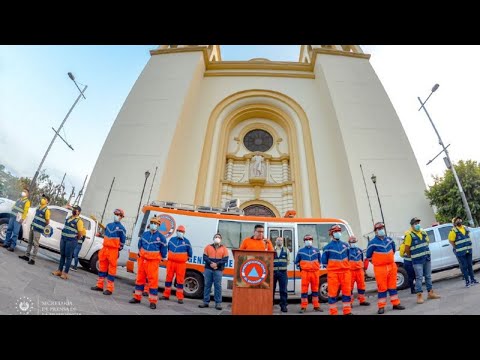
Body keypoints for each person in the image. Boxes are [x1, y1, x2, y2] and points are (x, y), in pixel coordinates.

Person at [366, 222, 405, 314]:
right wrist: (378, 261)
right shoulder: (372, 243)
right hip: (380, 268)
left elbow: (393, 250)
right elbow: (368, 256)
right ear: (375, 231)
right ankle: (381, 307)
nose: (381, 230)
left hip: (392, 266)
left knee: (393, 286)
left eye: (382, 228)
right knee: (382, 288)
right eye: (379, 229)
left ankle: (396, 304)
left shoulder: (389, 240)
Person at [129, 217, 167, 309]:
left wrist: (160, 258)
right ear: (150, 224)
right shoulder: (145, 234)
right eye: (152, 223)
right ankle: (137, 297)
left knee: (153, 282)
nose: (154, 225)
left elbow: (164, 250)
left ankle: (153, 301)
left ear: (158, 226)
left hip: (153, 262)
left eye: (156, 223)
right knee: (140, 279)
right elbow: (140, 244)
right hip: (142, 260)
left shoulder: (161, 238)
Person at [403, 217, 440, 303]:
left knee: (428, 276)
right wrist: (412, 256)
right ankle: (419, 296)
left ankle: (430, 293)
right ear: (412, 225)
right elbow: (407, 248)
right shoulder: (409, 235)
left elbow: (426, 243)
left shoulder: (423, 232)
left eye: (418, 223)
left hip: (426, 257)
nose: (417, 225)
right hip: (417, 260)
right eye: (415, 224)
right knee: (419, 277)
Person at [90, 209, 127, 295]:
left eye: (118, 215)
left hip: (113, 250)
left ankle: (109, 289)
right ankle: (99, 285)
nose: (116, 216)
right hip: (105, 249)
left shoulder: (122, 229)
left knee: (111, 270)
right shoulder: (109, 225)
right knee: (102, 267)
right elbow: (105, 235)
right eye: (115, 214)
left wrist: (117, 249)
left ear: (121, 217)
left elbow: (122, 242)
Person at [322, 225, 352, 315]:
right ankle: (333, 312)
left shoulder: (346, 245)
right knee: (332, 294)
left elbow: (349, 258)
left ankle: (347, 311)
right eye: (336, 232)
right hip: (333, 273)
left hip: (345, 272)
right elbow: (324, 262)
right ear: (332, 234)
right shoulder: (327, 247)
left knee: (347, 292)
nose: (338, 233)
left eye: (339, 231)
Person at [51, 205, 84, 280]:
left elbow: (80, 233)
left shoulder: (79, 221)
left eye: (75, 209)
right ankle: (59, 270)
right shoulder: (69, 218)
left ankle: (65, 273)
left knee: (68, 257)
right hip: (64, 238)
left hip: (71, 240)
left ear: (79, 212)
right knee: (62, 255)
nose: (74, 210)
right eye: (73, 209)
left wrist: (75, 238)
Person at [161, 225, 192, 304]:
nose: (180, 232)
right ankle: (166, 295)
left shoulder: (187, 242)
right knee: (168, 279)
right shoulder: (172, 239)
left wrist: (183, 258)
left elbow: (190, 253)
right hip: (171, 263)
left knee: (180, 281)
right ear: (176, 231)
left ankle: (180, 297)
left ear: (184, 232)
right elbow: (168, 249)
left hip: (181, 264)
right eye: (179, 231)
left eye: (181, 231)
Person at [198, 233, 229, 310]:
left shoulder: (224, 248)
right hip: (208, 269)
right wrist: (211, 263)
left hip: (218, 270)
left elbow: (225, 259)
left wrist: (217, 264)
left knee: (218, 286)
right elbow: (205, 257)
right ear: (213, 238)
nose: (217, 238)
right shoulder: (208, 247)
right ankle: (205, 302)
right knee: (207, 285)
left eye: (218, 237)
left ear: (221, 239)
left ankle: (218, 303)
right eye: (216, 237)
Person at [19, 194, 50, 265]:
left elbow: (47, 221)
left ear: (47, 201)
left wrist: (41, 226)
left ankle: (33, 259)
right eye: (43, 198)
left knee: (35, 244)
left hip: (38, 229)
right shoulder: (39, 207)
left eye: (44, 199)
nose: (43, 199)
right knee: (29, 242)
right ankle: (26, 256)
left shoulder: (47, 210)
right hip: (33, 227)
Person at [449, 216, 479, 287]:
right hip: (461, 252)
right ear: (454, 223)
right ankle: (467, 282)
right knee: (464, 266)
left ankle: (472, 280)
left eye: (459, 219)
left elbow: (467, 237)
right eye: (457, 220)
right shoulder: (453, 231)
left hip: (468, 250)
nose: (459, 220)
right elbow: (451, 241)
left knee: (470, 265)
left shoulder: (465, 228)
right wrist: (456, 247)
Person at [295, 234, 322, 313]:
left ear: (312, 241)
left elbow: (319, 261)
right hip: (305, 272)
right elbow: (296, 262)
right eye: (306, 240)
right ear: (304, 241)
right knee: (304, 290)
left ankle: (316, 306)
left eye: (310, 239)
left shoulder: (316, 250)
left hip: (315, 272)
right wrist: (302, 267)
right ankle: (303, 307)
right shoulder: (300, 251)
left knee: (315, 290)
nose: (308, 241)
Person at [348, 235, 370, 306]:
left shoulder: (359, 250)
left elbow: (362, 259)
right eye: (352, 242)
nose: (353, 243)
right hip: (350, 271)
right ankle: (350, 302)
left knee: (361, 286)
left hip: (360, 270)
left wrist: (364, 270)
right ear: (349, 242)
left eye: (354, 241)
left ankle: (362, 300)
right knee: (349, 287)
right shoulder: (347, 251)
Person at [273, 236, 290, 313]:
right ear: (275, 241)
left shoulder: (286, 250)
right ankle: (270, 304)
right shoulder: (272, 249)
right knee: (271, 290)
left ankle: (283, 306)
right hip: (273, 273)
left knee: (283, 290)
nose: (279, 241)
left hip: (283, 273)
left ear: (282, 242)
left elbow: (288, 261)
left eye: (281, 240)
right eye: (278, 240)